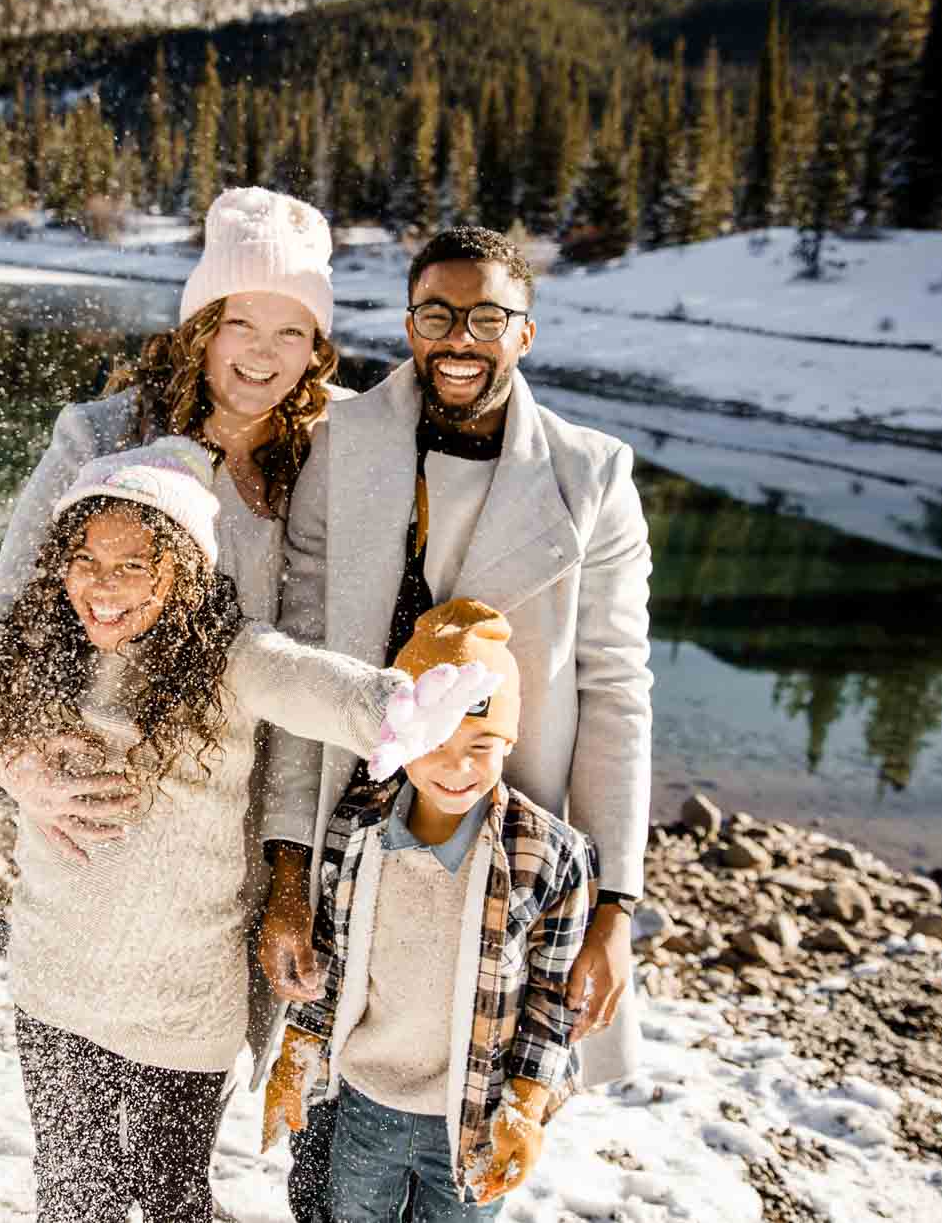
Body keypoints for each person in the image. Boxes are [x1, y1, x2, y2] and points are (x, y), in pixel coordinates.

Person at [0, 439, 498, 1223]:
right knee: (72, 1196)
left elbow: (305, 680)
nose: (102, 586)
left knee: (172, 1201)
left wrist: (387, 706)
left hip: (183, 1001)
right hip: (58, 984)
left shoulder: (228, 658)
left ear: (185, 571)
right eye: (87, 560)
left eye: (135, 565)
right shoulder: (22, 651)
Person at [255, 225, 654, 1221]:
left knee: (477, 1111)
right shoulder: (341, 445)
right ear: (407, 325)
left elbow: (615, 691)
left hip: (500, 839)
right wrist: (289, 869)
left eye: (486, 317)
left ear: (524, 332)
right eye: (437, 315)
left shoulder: (591, 475)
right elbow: (301, 668)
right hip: (357, 836)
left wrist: (615, 904)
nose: (459, 337)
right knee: (322, 1148)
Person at [0, 184, 344, 861]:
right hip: (120, 799)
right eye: (241, 325)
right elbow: (6, 614)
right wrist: (12, 758)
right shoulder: (103, 434)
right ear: (203, 326)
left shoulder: (332, 444)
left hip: (278, 815)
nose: (264, 354)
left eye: (291, 331)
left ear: (315, 346)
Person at [261, 599, 590, 1221]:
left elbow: (554, 995)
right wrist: (298, 1051)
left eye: (482, 744)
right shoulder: (358, 827)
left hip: (473, 1118)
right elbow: (329, 951)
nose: (458, 767)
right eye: (435, 740)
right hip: (365, 1103)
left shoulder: (547, 855)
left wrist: (527, 1103)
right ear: (399, 733)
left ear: (511, 740)